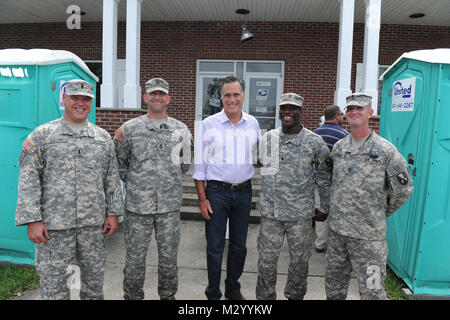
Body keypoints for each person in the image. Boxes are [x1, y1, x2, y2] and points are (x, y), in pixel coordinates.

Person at [15, 79, 123, 300]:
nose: (81, 103)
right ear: (64, 99)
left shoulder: (102, 138)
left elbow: (112, 179)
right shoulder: (43, 135)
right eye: (75, 98)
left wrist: (113, 213)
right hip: (53, 229)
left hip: (92, 228)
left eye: (86, 99)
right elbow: (28, 178)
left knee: (93, 289)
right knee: (54, 290)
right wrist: (32, 220)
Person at [325, 93, 413, 300]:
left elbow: (404, 189)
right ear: (344, 114)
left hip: (369, 239)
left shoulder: (385, 151)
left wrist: (378, 212)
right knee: (334, 290)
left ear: (370, 113)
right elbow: (331, 182)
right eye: (350, 108)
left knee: (372, 293)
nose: (354, 112)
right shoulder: (339, 148)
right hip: (338, 235)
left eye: (360, 108)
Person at [114, 77, 192, 300]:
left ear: (168, 98)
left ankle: (168, 295)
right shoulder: (129, 130)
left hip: (169, 209)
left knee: (169, 258)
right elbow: (120, 163)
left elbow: (184, 164)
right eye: (152, 93)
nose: (157, 97)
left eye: (161, 94)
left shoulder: (182, 130)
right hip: (138, 209)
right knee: (135, 259)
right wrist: (140, 183)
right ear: (145, 97)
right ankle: (132, 296)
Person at [255, 93, 332, 300]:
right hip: (271, 213)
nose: (287, 112)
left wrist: (324, 206)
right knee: (266, 261)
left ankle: (295, 296)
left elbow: (324, 176)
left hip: (300, 215)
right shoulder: (267, 139)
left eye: (293, 108)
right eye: (284, 108)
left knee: (299, 262)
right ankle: (264, 299)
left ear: (300, 112)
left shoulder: (315, 142)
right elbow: (260, 164)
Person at [192, 75, 260, 300]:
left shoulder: (253, 123)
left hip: (243, 192)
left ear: (243, 96)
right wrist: (202, 199)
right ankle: (213, 292)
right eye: (227, 95)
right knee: (215, 246)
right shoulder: (208, 125)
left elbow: (257, 155)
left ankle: (233, 288)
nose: (232, 99)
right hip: (216, 193)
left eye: (236, 94)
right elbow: (200, 165)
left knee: (239, 246)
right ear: (221, 98)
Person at [313, 105, 349, 253]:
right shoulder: (344, 135)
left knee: (321, 213)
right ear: (336, 116)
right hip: (336, 182)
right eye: (341, 114)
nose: (343, 117)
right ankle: (334, 246)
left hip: (318, 182)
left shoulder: (315, 134)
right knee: (336, 214)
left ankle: (320, 244)